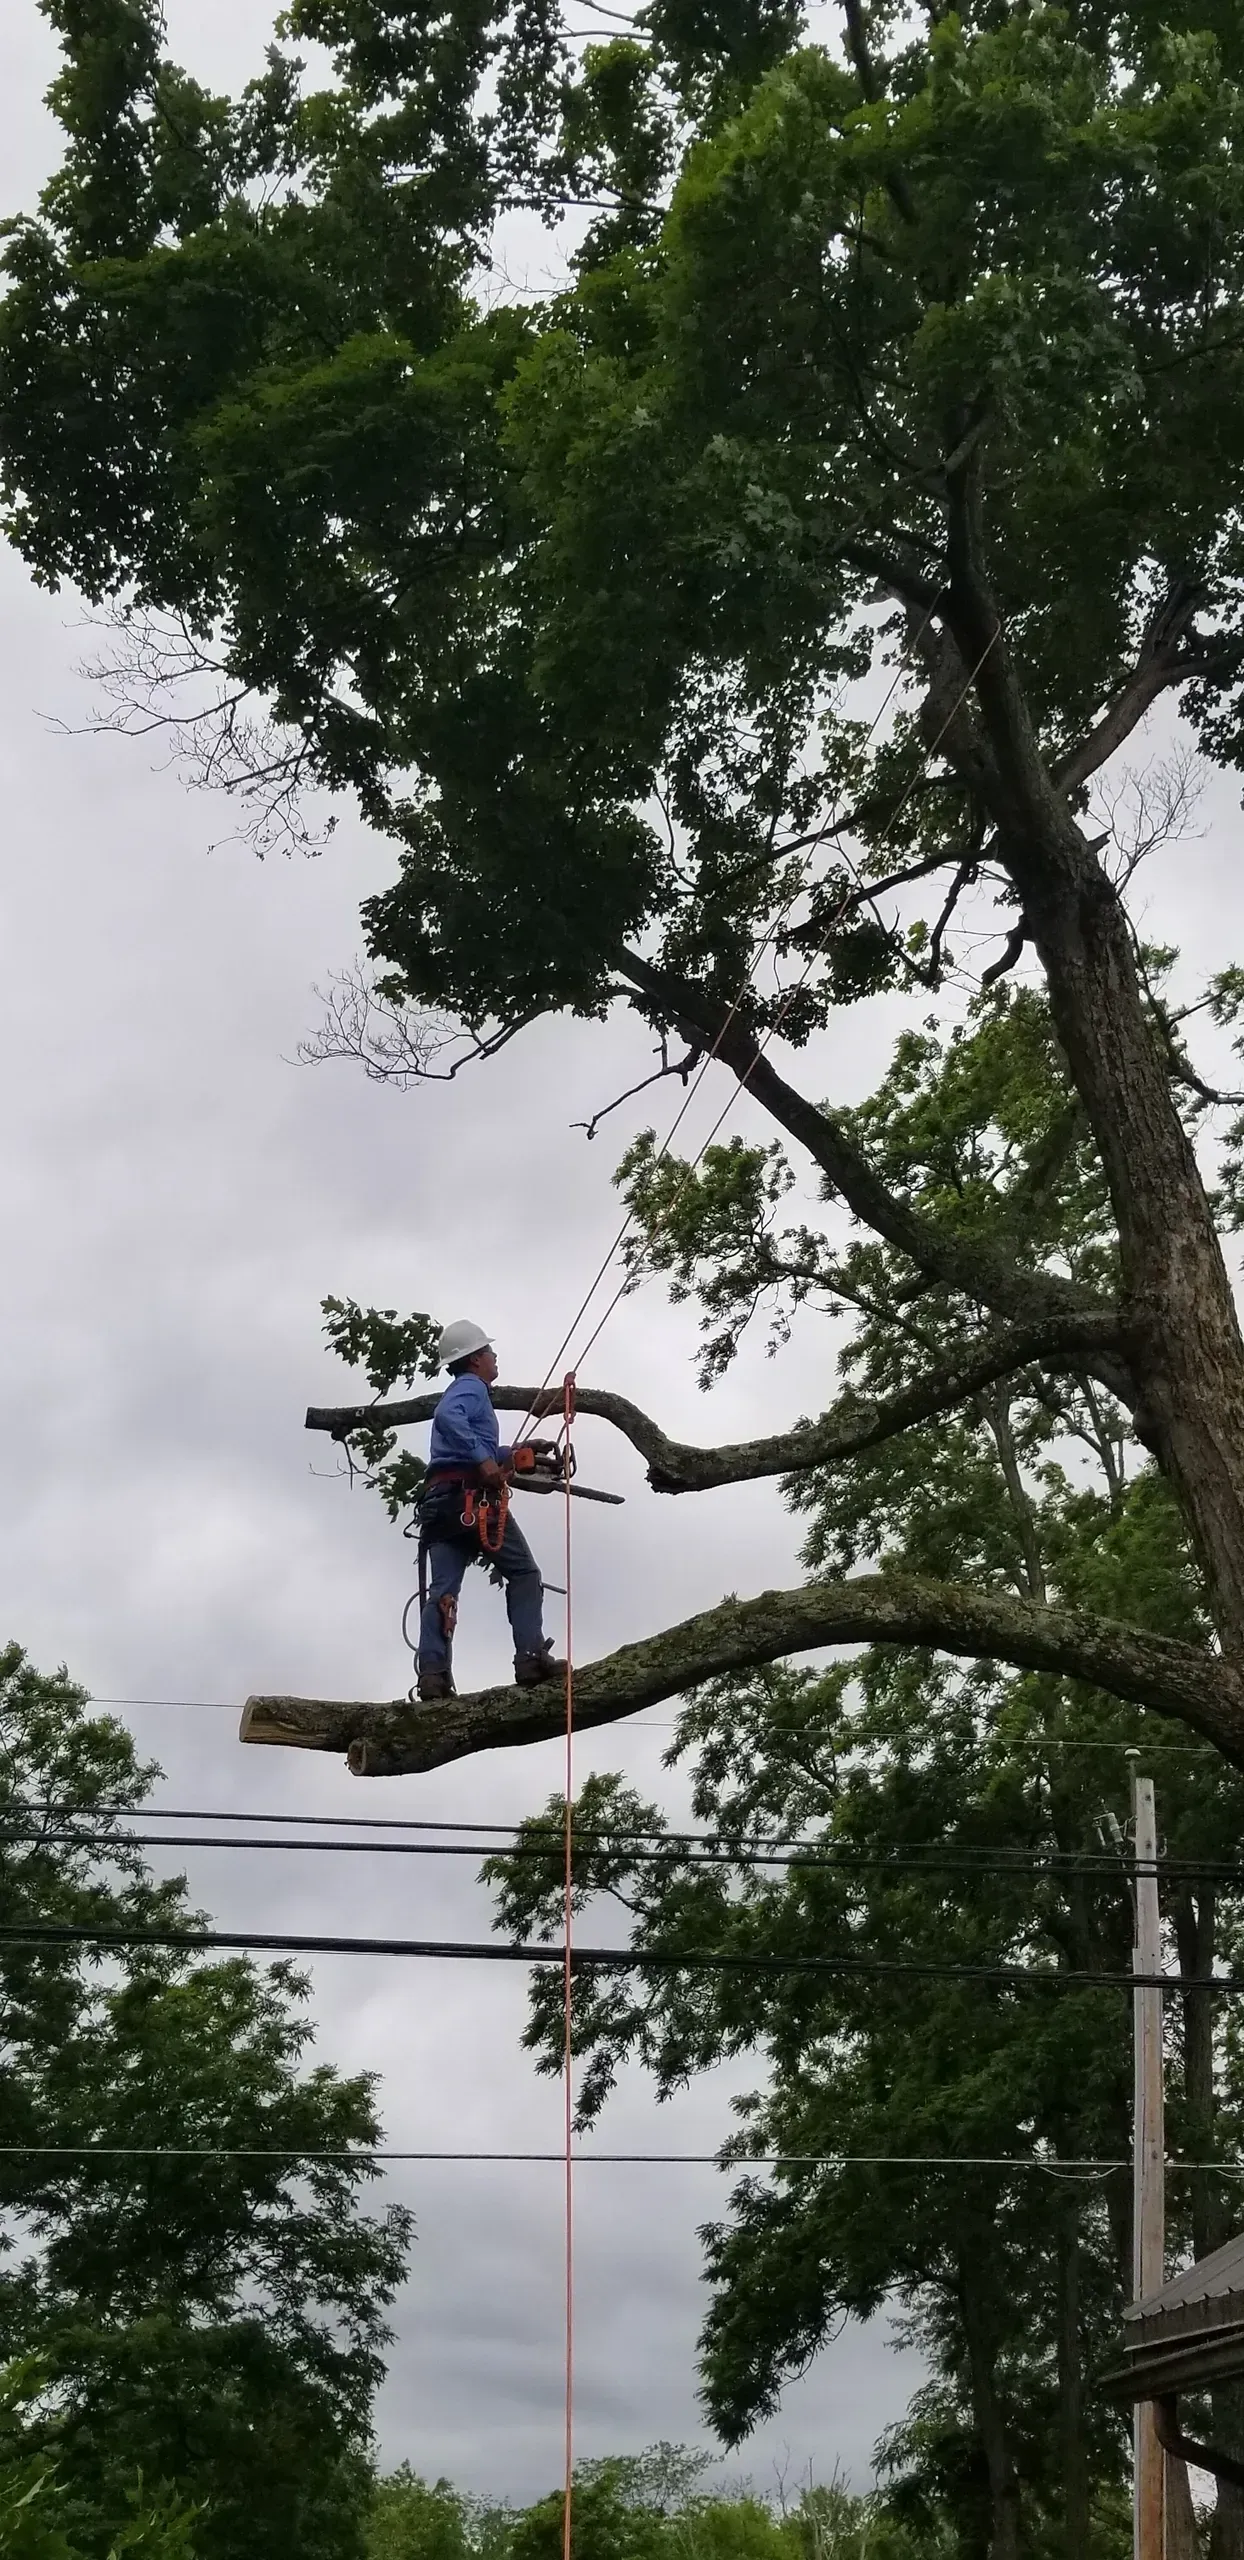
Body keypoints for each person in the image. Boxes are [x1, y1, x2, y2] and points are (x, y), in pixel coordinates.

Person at [415, 1320, 563, 1703]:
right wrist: (485, 1462)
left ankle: (433, 1676)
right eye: (490, 1352)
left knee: (443, 1592)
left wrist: (514, 1454)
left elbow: (463, 1442)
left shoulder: (466, 1393)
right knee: (525, 1573)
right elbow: (448, 1417)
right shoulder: (470, 1388)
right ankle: (530, 1658)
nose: (496, 1358)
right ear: (476, 1359)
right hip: (473, 1501)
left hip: (441, 1506)